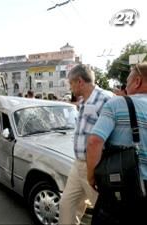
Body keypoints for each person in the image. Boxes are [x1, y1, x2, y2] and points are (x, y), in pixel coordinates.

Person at [86, 63, 147, 225]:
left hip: (124, 188)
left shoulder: (118, 104)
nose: (125, 85)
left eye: (127, 80)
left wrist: (91, 175)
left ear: (138, 81)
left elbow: (94, 141)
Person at [58, 64, 113, 225]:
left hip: (96, 166)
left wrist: (94, 169)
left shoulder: (106, 99)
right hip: (78, 164)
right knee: (67, 204)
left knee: (104, 211)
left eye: (71, 83)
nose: (70, 88)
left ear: (80, 81)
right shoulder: (83, 101)